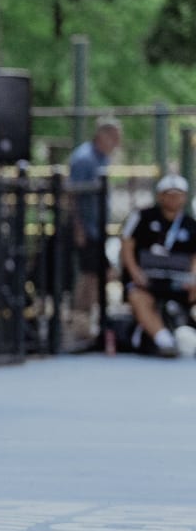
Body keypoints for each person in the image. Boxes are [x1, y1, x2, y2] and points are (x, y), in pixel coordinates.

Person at [118, 174, 196, 358]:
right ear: (160, 196)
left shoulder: (191, 225)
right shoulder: (143, 217)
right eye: (168, 194)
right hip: (147, 279)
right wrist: (135, 272)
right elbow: (126, 244)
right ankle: (164, 340)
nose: (173, 199)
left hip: (180, 281)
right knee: (138, 297)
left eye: (178, 195)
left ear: (184, 197)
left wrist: (194, 278)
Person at [68, 118, 122, 346]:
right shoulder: (84, 158)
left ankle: (92, 322)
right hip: (86, 228)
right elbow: (72, 195)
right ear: (104, 136)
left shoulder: (102, 158)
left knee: (100, 274)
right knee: (89, 275)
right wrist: (78, 227)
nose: (118, 143)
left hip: (98, 228)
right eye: (115, 138)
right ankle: (80, 324)